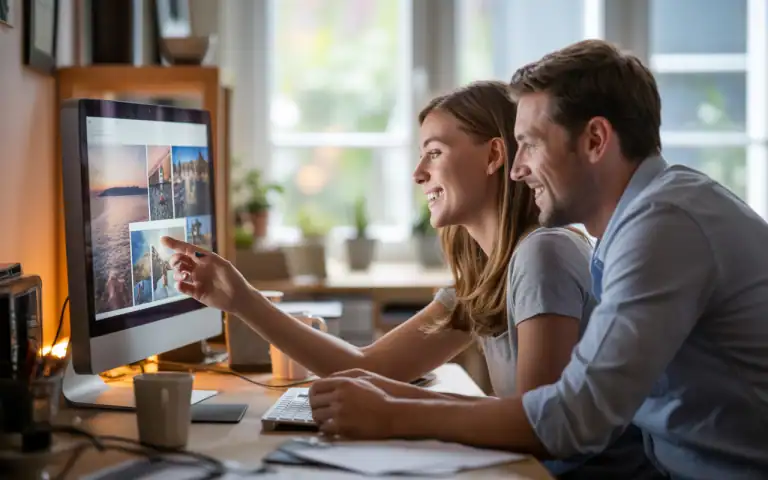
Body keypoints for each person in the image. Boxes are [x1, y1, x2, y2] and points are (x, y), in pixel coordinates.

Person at [309, 39, 768, 480]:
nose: (516, 168)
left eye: (529, 143)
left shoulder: (663, 225)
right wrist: (392, 403)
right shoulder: (639, 225)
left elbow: (574, 420)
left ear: (594, 140)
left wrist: (393, 415)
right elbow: (571, 407)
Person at [162, 81, 655, 478]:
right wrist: (241, 299)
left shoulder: (543, 253)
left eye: (435, 152)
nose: (419, 173)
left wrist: (391, 407)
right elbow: (366, 366)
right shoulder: (486, 277)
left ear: (494, 156)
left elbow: (534, 426)